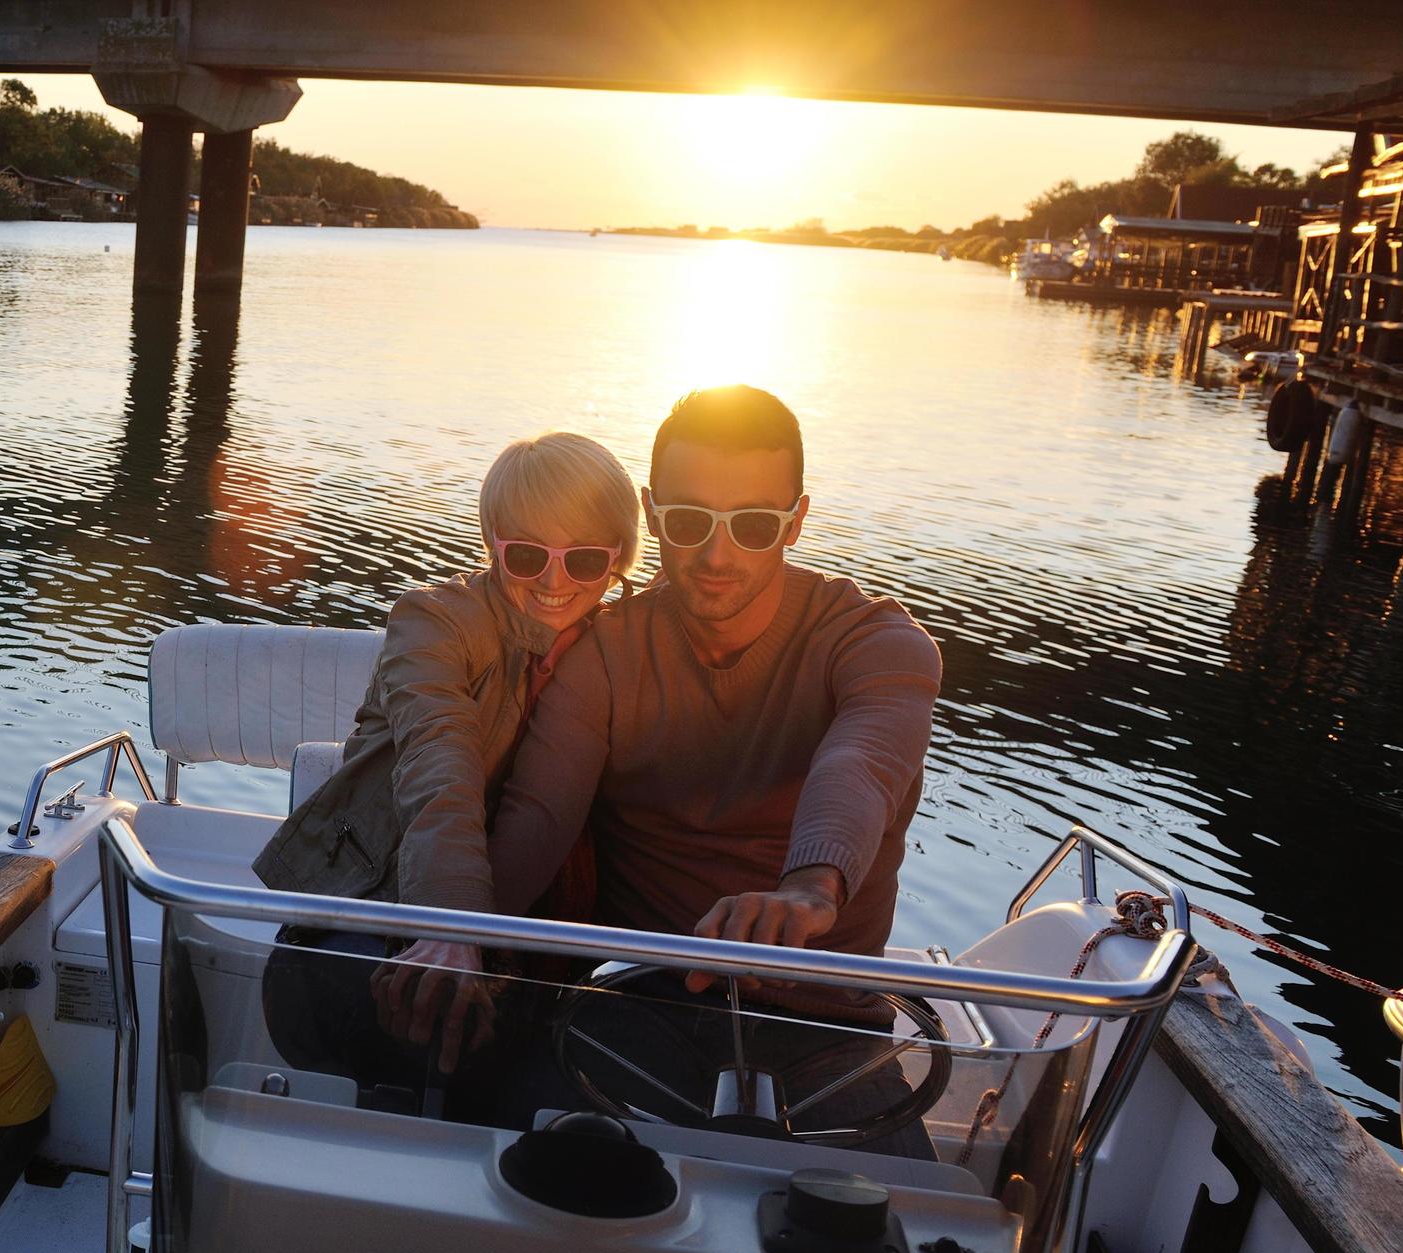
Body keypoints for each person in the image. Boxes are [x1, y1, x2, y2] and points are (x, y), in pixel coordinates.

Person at [469, 385, 947, 1136]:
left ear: (796, 522)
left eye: (754, 524)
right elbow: (541, 814)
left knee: (894, 1238)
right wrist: (460, 937)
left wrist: (809, 886)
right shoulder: (605, 652)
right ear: (654, 513)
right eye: (690, 522)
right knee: (531, 1165)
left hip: (827, 1025)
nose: (718, 555)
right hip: (642, 1001)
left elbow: (858, 763)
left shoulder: (879, 644)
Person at [256, 431, 638, 1098]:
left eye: (583, 560)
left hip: (536, 940)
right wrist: (454, 930)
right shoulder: (433, 622)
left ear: (619, 559)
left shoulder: (620, 646)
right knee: (429, 1022)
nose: (554, 582)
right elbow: (440, 770)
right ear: (493, 541)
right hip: (379, 911)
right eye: (526, 556)